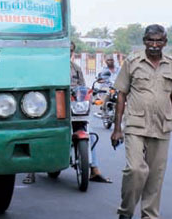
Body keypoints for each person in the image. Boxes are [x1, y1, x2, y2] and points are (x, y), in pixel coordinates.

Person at [111, 24, 172, 219]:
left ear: (165, 42)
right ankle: (126, 213)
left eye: (159, 41)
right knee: (136, 170)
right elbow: (121, 94)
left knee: (155, 176)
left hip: (162, 126)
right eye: (150, 41)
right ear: (144, 41)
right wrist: (117, 128)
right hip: (136, 125)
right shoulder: (132, 62)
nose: (154, 45)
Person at [24, 42, 110, 184]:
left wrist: (91, 94)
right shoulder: (47, 68)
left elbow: (82, 87)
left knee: (89, 132)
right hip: (51, 108)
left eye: (70, 50)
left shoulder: (76, 69)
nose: (68, 53)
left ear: (72, 52)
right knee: (36, 131)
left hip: (73, 108)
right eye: (65, 50)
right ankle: (30, 171)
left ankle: (94, 169)